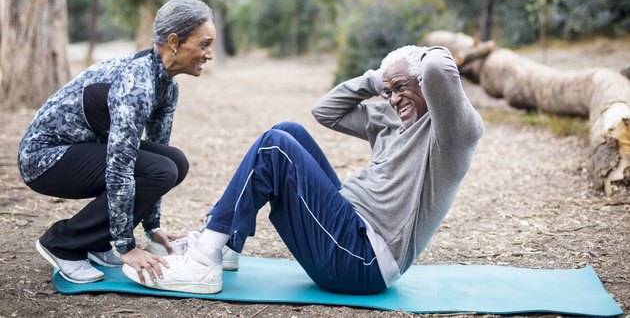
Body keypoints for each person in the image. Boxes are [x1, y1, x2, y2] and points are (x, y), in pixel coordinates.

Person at [123, 45, 484, 295]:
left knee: (275, 148)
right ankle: (228, 244)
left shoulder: (451, 132)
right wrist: (380, 78)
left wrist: (415, 58)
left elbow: (438, 67)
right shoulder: (390, 120)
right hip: (348, 228)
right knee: (287, 131)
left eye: (401, 88)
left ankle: (204, 259)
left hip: (363, 261)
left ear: (428, 85)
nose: (393, 99)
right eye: (389, 92)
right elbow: (326, 111)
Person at [18, 0, 216, 285]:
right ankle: (63, 243)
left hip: (85, 150)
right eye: (204, 44)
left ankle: (97, 243)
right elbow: (120, 167)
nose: (209, 54)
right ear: (174, 41)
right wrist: (126, 246)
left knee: (174, 161)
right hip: (44, 158)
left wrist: (152, 226)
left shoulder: (166, 87)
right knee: (162, 168)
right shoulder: (137, 85)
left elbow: (157, 155)